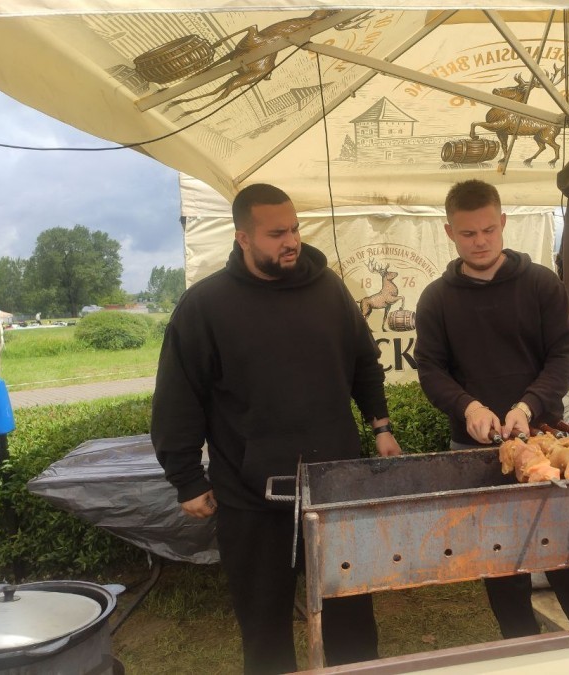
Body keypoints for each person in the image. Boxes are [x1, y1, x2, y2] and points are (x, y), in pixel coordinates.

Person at [151, 183, 401, 674]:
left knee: (352, 623)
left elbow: (364, 364)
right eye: (277, 234)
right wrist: (186, 477)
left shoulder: (330, 290)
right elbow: (179, 397)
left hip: (334, 489)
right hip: (252, 499)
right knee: (265, 634)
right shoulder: (206, 305)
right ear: (242, 237)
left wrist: (381, 426)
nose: (291, 241)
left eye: (294, 229)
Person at [414, 179, 569, 638]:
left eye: (488, 230)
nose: (480, 241)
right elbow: (431, 369)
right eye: (468, 233)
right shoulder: (436, 299)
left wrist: (529, 404)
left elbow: (562, 355)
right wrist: (468, 407)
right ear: (449, 232)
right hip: (474, 450)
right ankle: (520, 647)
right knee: (500, 559)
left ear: (503, 223)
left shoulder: (542, 284)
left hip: (548, 443)